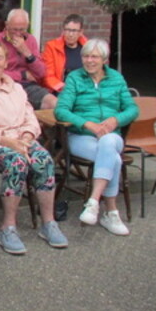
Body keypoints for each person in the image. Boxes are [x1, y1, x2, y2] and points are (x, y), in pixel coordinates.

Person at [0, 41, 68, 253]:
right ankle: (8, 227)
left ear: (6, 63)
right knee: (17, 162)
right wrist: (7, 141)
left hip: (21, 140)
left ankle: (48, 223)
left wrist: (27, 137)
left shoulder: (17, 88)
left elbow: (30, 116)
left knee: (44, 159)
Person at [54, 38, 138, 235]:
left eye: (94, 57)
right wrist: (87, 124)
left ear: (104, 60)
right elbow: (61, 111)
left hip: (111, 135)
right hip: (81, 137)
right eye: (85, 56)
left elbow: (133, 109)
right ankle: (110, 212)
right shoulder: (75, 78)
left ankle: (93, 202)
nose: (89, 61)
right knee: (114, 159)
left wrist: (116, 120)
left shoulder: (116, 78)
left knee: (108, 141)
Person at [0, 8, 58, 110]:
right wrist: (22, 75)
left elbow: (41, 73)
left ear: (27, 26)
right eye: (14, 29)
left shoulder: (31, 40)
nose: (18, 34)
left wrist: (27, 53)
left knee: (54, 103)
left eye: (22, 30)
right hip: (3, 85)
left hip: (27, 86)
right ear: (7, 25)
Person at [42, 13, 88, 93]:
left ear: (81, 32)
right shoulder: (52, 47)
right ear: (63, 30)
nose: (70, 34)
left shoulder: (88, 48)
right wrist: (65, 88)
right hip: (61, 90)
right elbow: (48, 76)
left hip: (84, 89)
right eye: (67, 30)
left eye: (74, 31)